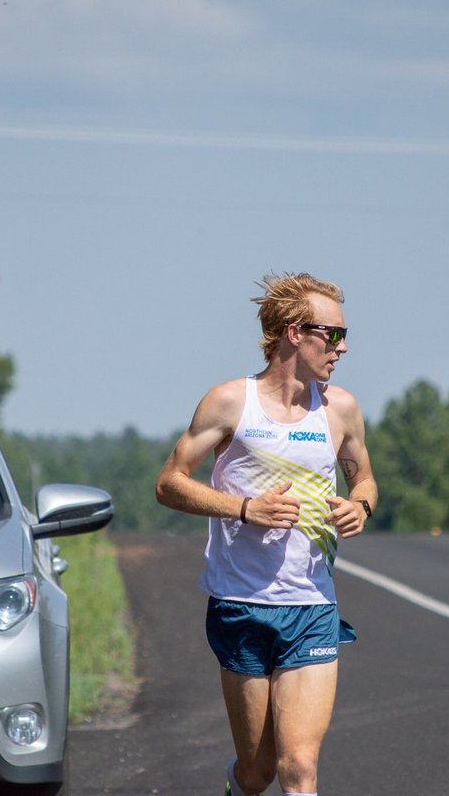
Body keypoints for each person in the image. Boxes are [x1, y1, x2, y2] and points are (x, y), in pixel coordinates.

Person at [155, 272, 377, 796]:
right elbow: (169, 484)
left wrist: (361, 507)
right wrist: (243, 508)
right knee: (257, 774)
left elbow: (364, 477)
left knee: (298, 767)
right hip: (241, 605)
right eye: (334, 334)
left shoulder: (341, 409)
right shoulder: (231, 402)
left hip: (311, 607)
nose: (343, 347)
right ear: (295, 333)